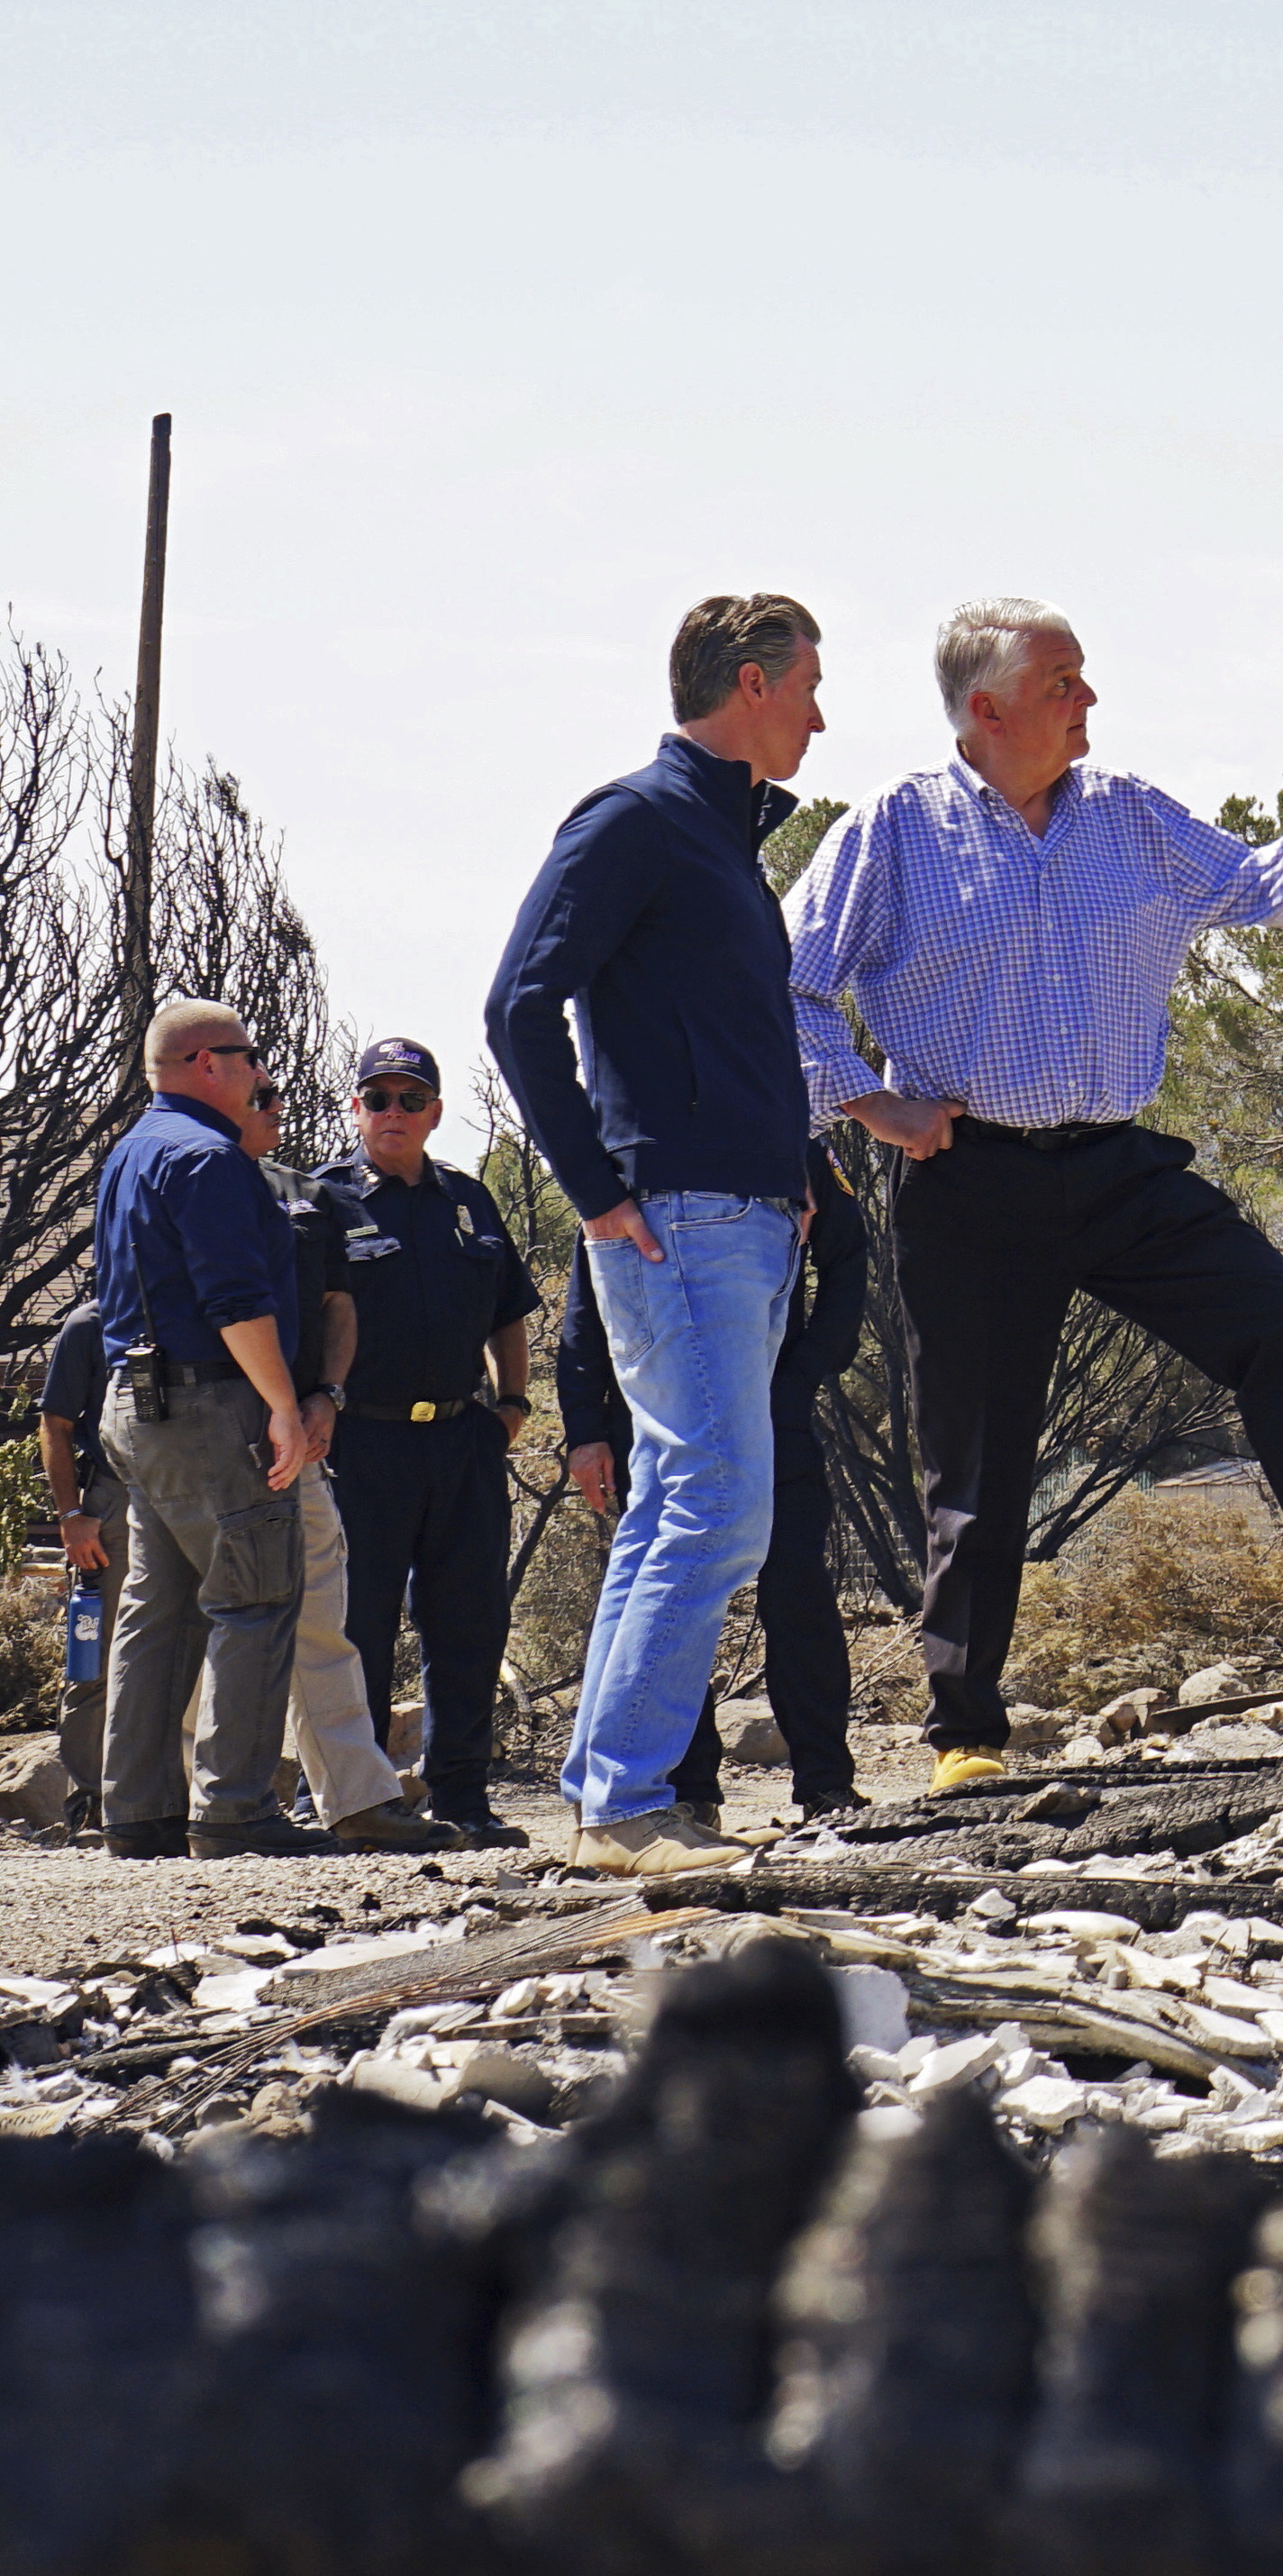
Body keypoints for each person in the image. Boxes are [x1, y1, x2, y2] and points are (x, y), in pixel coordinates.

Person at [783, 597, 1283, 1797]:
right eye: (1061, 681)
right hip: (967, 1176)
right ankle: (965, 1735)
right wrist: (870, 1104)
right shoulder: (894, 830)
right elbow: (787, 987)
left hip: (1116, 1168)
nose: (1088, 698)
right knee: (980, 1463)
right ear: (985, 708)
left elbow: (1260, 880)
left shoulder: (1126, 816)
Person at [484, 592, 830, 1880]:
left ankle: (610, 1799)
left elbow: (731, 1036)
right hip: (677, 1218)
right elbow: (517, 1005)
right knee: (721, 1505)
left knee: (682, 1504)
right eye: (808, 689)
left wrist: (794, 1170)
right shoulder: (633, 819)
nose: (819, 718)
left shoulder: (722, 842)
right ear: (751, 682)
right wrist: (594, 1188)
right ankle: (626, 1804)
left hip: (740, 1217)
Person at [556, 1138, 870, 1819]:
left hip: (768, 1403)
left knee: (798, 1592)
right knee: (667, 1591)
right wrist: (584, 1428)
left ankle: (824, 1781)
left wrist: (799, 1375)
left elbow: (847, 1260)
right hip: (653, 1414)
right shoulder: (623, 1154)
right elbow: (588, 1303)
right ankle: (685, 1791)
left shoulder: (784, 1140)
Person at [88, 998, 317, 1859]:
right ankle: (233, 1811)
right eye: (249, 1055)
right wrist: (284, 1406)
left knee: (159, 1607)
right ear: (206, 1064)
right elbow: (235, 1302)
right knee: (254, 1596)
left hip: (134, 1408)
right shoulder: (209, 1158)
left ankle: (137, 1811)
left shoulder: (130, 1153)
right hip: (209, 1405)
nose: (261, 1071)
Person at [314, 1038, 539, 1843]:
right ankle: (358, 1798)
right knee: (357, 1627)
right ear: (356, 1109)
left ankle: (462, 1795)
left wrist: (510, 1404)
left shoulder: (470, 1201)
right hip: (360, 1444)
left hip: (460, 1440)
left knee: (469, 1622)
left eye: (411, 1100)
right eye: (378, 1098)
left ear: (435, 1112)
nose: (394, 1113)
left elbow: (508, 1312)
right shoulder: (322, 1200)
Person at [239, 1079, 460, 1852]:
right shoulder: (185, 1176)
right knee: (214, 1620)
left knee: (325, 1622)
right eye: (258, 1092)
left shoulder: (308, 1197)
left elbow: (338, 1302)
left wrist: (322, 1395)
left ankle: (358, 1801)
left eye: (274, 1090)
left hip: (306, 1431)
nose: (276, 1104)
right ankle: (208, 1806)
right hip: (216, 1427)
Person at [39, 1296, 110, 1834]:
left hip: (198, 1498)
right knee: (93, 1659)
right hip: (111, 1505)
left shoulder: (205, 1307)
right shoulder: (89, 1323)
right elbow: (55, 1424)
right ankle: (89, 1804)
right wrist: (70, 1515)